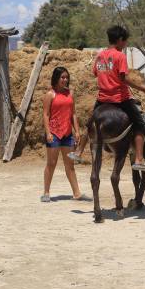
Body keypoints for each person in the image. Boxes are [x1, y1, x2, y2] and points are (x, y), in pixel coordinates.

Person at [69, 25, 145, 171]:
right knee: (140, 124)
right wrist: (143, 88)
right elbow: (124, 79)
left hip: (102, 99)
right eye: (125, 41)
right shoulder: (120, 56)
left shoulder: (100, 55)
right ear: (120, 40)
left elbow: (95, 73)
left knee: (91, 123)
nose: (126, 44)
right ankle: (139, 159)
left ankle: (79, 151)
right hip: (120, 99)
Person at [41, 67, 89, 203]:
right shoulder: (50, 94)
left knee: (70, 165)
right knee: (51, 163)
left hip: (67, 134)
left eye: (67, 77)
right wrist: (48, 132)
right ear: (56, 78)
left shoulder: (70, 94)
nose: (65, 80)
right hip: (54, 133)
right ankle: (46, 192)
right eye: (62, 77)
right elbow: (45, 115)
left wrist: (77, 131)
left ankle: (77, 193)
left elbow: (73, 113)